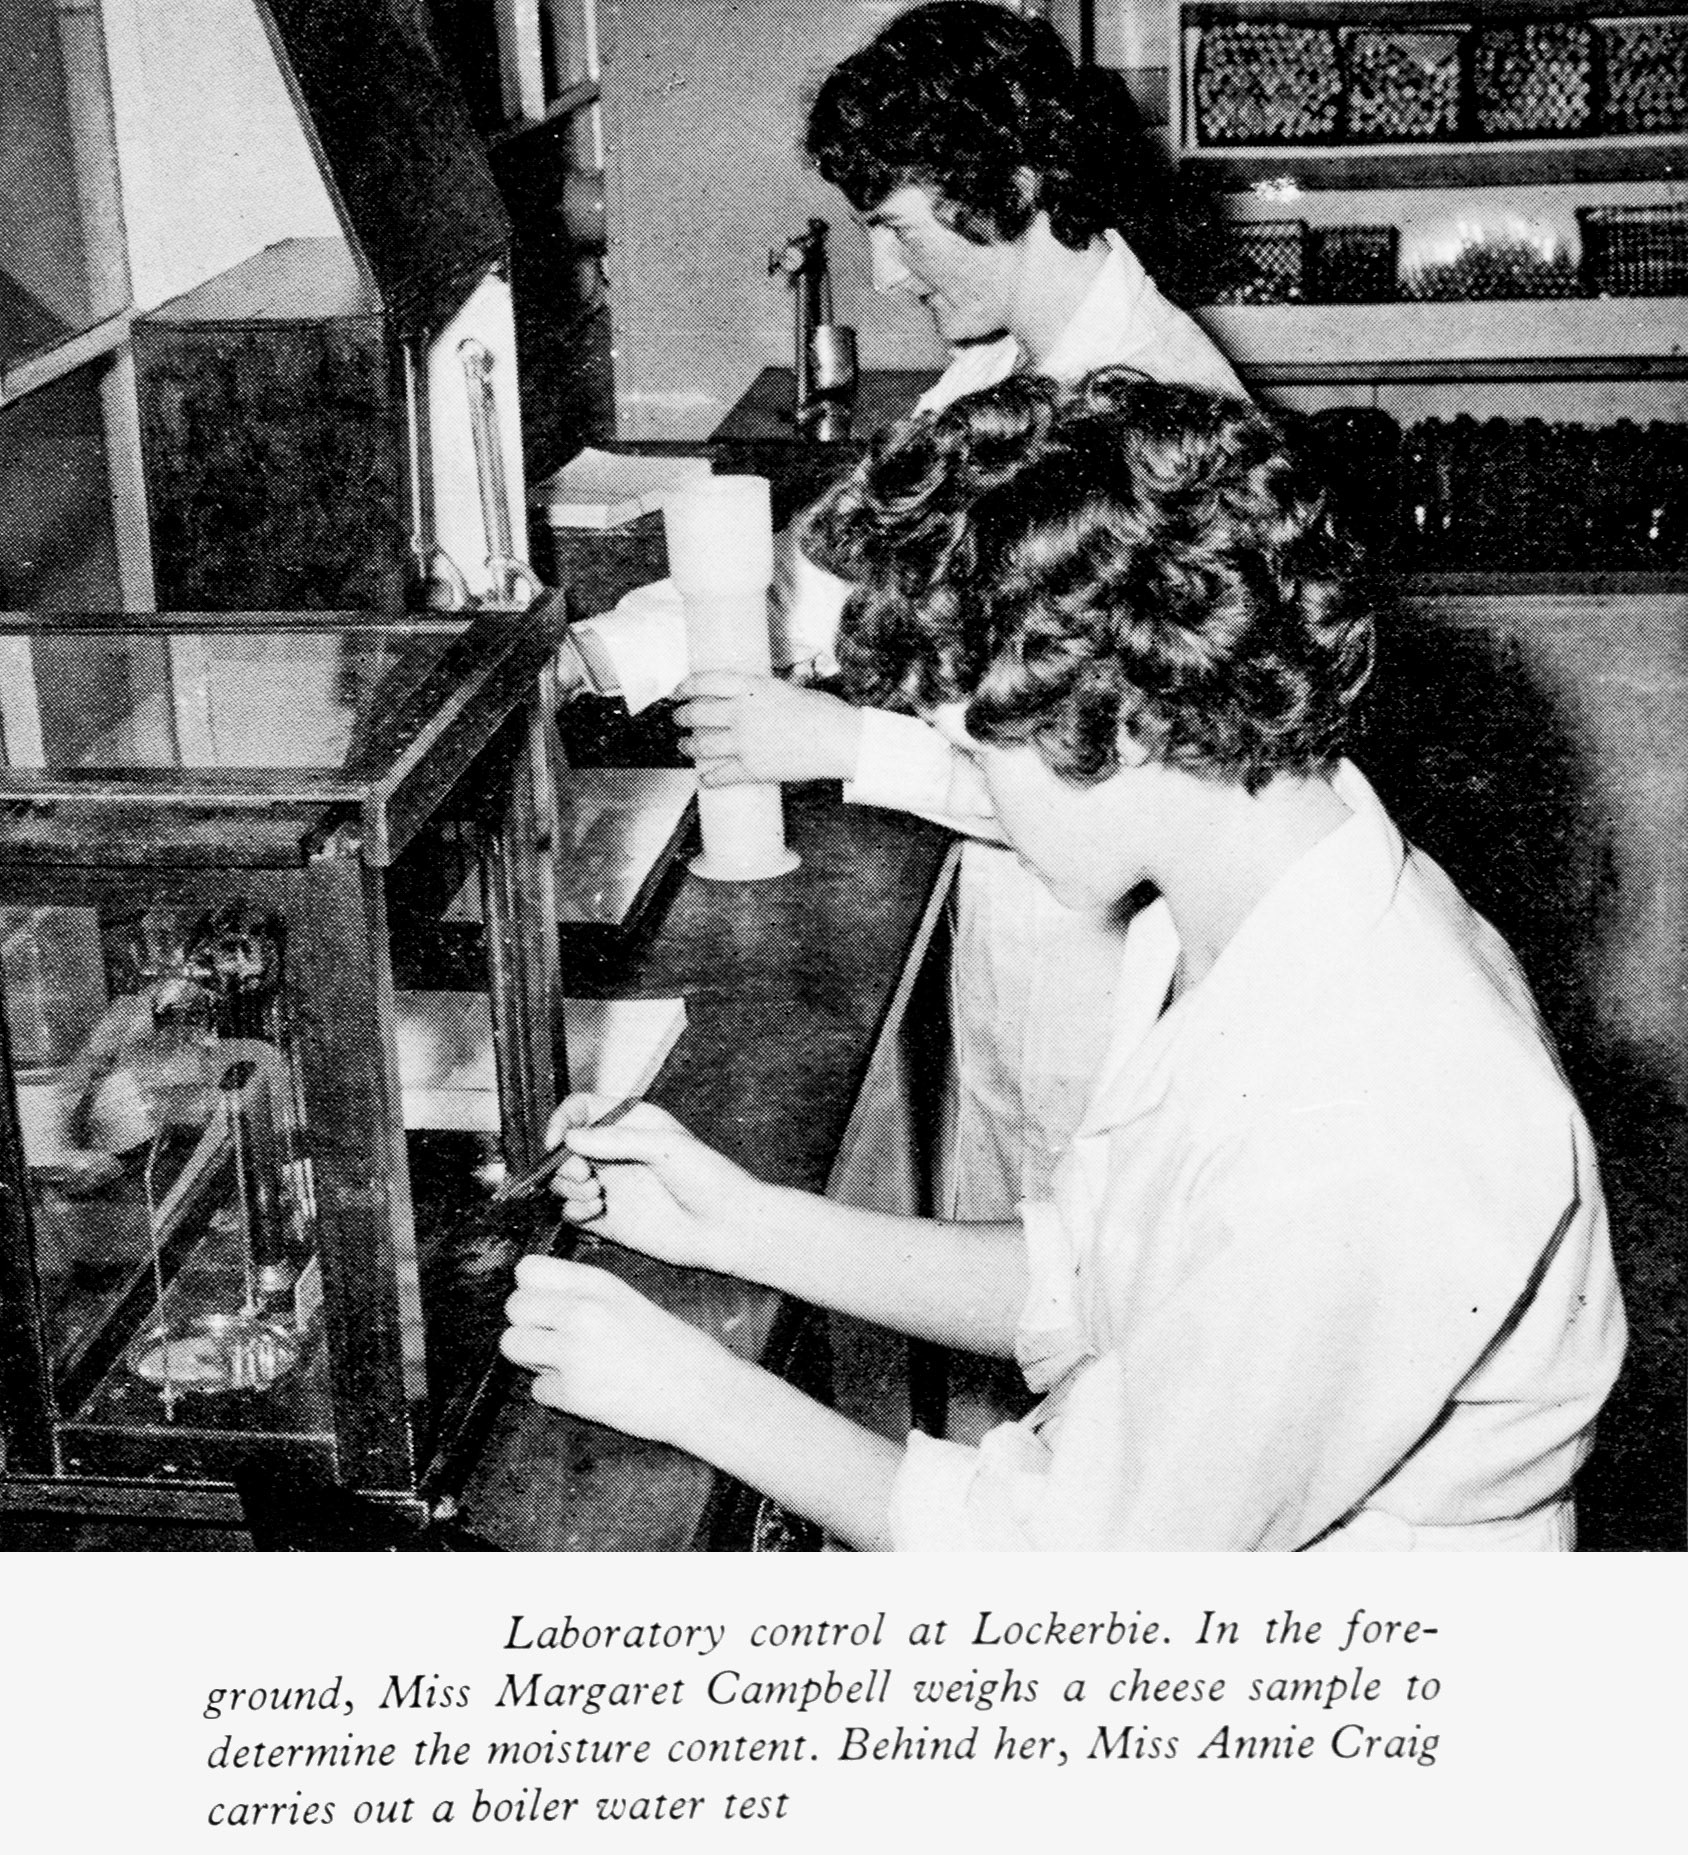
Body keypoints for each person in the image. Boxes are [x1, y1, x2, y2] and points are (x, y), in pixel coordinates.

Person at [501, 371, 1627, 1552]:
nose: (973, 793)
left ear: (1130, 720)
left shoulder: (1365, 1110)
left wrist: (700, 1395)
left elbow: (1090, 1571)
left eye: (974, 758)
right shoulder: (1247, 904)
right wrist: (741, 1224)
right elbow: (1094, 1274)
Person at [673, 2, 1245, 1221]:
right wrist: (603, 646)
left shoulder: (1151, 411)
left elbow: (1136, 788)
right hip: (1015, 931)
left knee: (1073, 1314)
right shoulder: (1002, 360)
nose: (881, 271)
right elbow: (841, 561)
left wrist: (841, 745)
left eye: (895, 228)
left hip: (1104, 977)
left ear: (1018, 182)